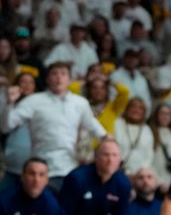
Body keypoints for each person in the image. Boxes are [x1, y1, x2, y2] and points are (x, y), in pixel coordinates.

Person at [2, 61, 108, 191]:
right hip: (40, 170)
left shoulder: (80, 103)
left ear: (69, 80)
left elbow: (95, 127)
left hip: (70, 168)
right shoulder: (34, 100)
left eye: (63, 74)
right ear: (47, 79)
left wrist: (107, 139)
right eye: (54, 73)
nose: (59, 77)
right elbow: (6, 126)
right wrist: (9, 103)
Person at [59, 138, 132, 215]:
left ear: (120, 159)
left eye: (114, 155)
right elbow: (65, 211)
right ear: (96, 157)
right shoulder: (77, 179)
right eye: (106, 155)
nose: (110, 160)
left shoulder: (123, 183)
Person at [0, 157, 64, 215]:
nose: (36, 180)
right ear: (22, 177)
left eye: (41, 175)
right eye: (32, 173)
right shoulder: (5, 199)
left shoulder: (52, 205)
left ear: (47, 180)